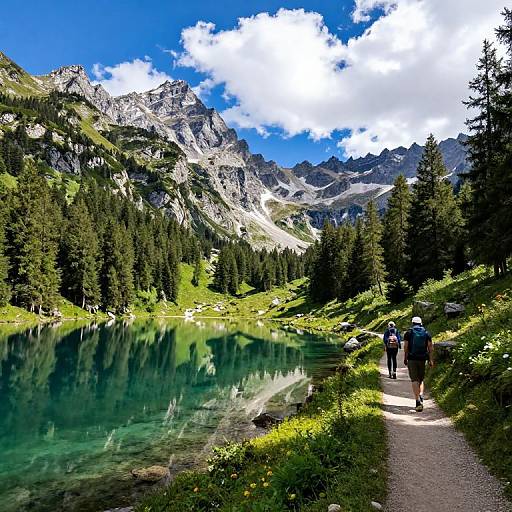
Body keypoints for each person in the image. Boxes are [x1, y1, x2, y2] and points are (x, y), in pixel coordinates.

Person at [403, 316, 434, 412]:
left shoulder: (408, 333)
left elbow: (405, 347)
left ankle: (417, 401)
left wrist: (405, 357)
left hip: (412, 359)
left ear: (412, 323)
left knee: (414, 380)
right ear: (421, 323)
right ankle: (421, 395)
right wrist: (430, 359)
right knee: (421, 379)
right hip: (422, 358)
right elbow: (430, 348)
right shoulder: (426, 333)